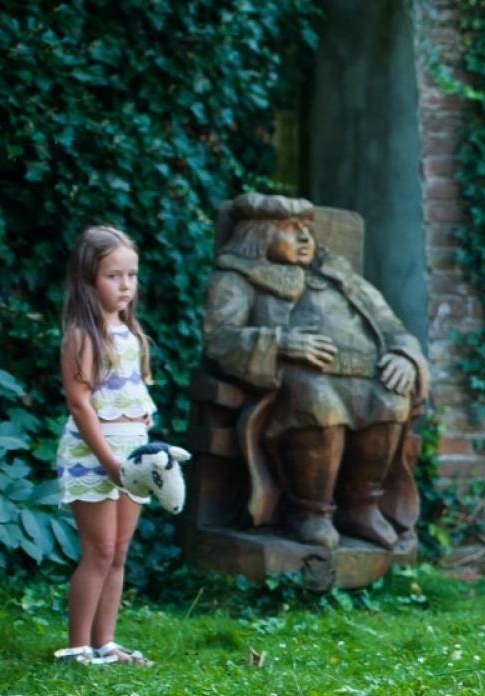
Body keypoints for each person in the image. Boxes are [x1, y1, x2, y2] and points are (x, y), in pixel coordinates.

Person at [203, 193, 429, 550]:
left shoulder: (340, 275)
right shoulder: (238, 278)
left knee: (390, 400)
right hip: (291, 382)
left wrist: (405, 355)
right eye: (290, 230)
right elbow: (219, 339)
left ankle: (361, 506)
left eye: (307, 229)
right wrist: (280, 344)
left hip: (361, 374)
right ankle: (310, 511)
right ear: (259, 235)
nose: (306, 238)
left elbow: (391, 325)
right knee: (317, 404)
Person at [54, 226, 159, 666]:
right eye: (113, 276)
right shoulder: (83, 336)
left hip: (130, 455)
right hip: (94, 456)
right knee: (98, 550)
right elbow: (80, 405)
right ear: (88, 279)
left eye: (131, 275)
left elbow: (133, 389)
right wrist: (109, 460)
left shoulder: (132, 333)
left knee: (118, 552)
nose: (125, 286)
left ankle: (106, 642)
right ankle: (77, 647)